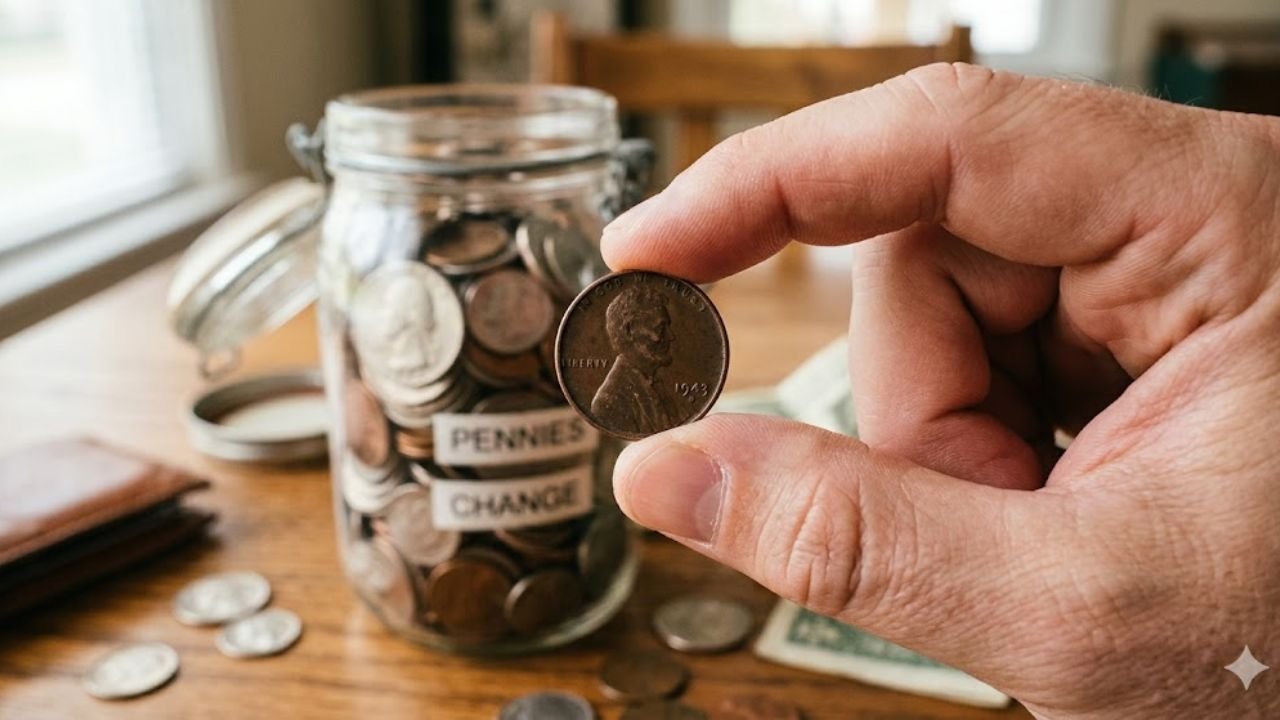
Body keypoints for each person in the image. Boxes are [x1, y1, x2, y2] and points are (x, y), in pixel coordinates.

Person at [600, 63, 1280, 718]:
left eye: (665, 325)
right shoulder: (615, 401)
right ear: (625, 337)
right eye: (652, 329)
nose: (664, 337)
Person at [591, 283, 679, 434]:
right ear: (630, 330)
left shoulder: (657, 387)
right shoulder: (609, 403)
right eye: (660, 328)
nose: (671, 336)